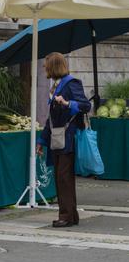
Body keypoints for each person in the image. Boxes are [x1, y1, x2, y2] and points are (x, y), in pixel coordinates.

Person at [36, 52, 90, 228]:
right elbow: (51, 119)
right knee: (62, 177)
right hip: (57, 137)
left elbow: (85, 105)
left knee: (64, 177)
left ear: (53, 66)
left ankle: (66, 216)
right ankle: (70, 215)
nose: (45, 68)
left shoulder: (71, 83)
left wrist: (67, 103)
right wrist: (41, 141)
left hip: (67, 137)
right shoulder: (56, 86)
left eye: (46, 65)